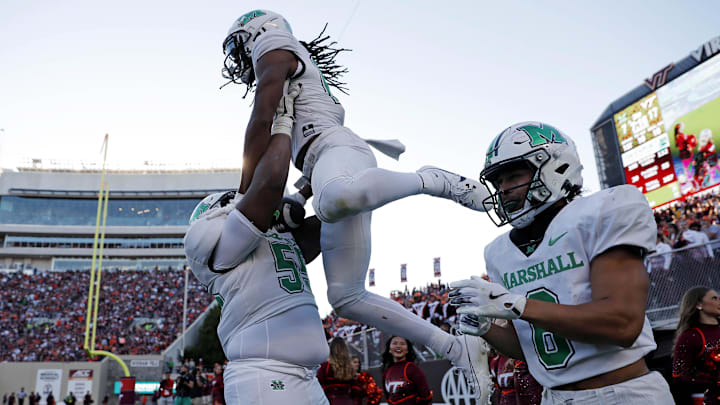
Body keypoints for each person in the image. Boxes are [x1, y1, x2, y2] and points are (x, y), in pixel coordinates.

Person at [220, 8, 491, 389]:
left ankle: (433, 180)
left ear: (257, 32)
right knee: (346, 296)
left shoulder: (273, 43)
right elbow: (310, 152)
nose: (237, 58)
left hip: (337, 152)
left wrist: (244, 193)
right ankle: (456, 348)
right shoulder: (287, 58)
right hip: (327, 164)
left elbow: (262, 117)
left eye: (237, 45)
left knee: (334, 200)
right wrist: (299, 194)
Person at [449, 122, 674, 403]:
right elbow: (530, 347)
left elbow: (622, 325)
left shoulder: (605, 209)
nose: (503, 190)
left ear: (555, 168)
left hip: (623, 393)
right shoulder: (498, 252)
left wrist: (516, 305)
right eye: (498, 183)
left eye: (513, 176)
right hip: (554, 397)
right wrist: (486, 328)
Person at [184, 84, 328, 404]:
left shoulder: (269, 242)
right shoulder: (224, 250)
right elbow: (268, 183)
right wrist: (284, 123)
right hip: (265, 376)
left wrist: (315, 183)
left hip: (304, 375)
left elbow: (332, 220)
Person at [673, 287, 720, 404]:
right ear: (699, 304)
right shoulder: (690, 337)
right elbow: (679, 376)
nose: (719, 301)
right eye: (714, 298)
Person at [381, 336, 432, 405]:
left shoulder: (412, 369)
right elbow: (388, 398)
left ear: (407, 350)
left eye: (402, 344)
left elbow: (425, 396)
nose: (398, 346)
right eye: (395, 343)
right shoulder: (387, 372)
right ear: (389, 349)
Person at [316, 338, 364, 405]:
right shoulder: (350, 367)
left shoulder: (325, 366)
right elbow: (356, 390)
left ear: (331, 350)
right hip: (348, 401)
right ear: (345, 350)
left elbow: (318, 387)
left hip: (330, 401)